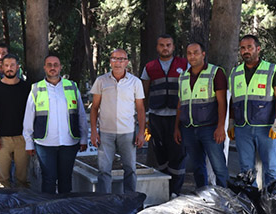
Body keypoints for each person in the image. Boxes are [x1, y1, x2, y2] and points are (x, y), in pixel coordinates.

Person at [23, 55, 89, 194]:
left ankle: (64, 210)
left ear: (60, 67)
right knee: (48, 178)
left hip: (69, 142)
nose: (53, 67)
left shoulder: (71, 86)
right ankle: (50, 211)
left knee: (66, 178)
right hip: (45, 143)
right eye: (49, 65)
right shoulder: (36, 89)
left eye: (56, 64)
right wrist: (28, 142)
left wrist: (83, 138)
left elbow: (81, 115)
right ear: (45, 68)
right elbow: (28, 118)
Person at [227, 34, 276, 185]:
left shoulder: (272, 70)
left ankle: (274, 202)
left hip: (266, 128)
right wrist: (232, 122)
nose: (246, 51)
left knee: (271, 169)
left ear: (258, 49)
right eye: (242, 48)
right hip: (242, 129)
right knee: (246, 170)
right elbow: (233, 99)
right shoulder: (235, 73)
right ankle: (251, 204)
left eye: (249, 47)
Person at [173, 42, 229, 187]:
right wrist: (177, 128)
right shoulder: (183, 76)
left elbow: (222, 102)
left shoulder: (215, 73)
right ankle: (203, 196)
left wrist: (221, 127)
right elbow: (180, 104)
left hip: (210, 128)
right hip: (189, 129)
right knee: (197, 167)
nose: (192, 56)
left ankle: (226, 199)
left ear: (203, 54)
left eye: (196, 52)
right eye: (189, 53)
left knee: (219, 167)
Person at [90, 49, 146, 193]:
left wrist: (141, 132)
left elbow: (140, 109)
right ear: (110, 61)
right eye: (114, 59)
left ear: (127, 62)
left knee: (130, 169)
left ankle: (130, 201)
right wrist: (94, 132)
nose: (118, 62)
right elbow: (95, 108)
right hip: (105, 133)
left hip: (127, 133)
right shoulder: (101, 81)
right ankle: (106, 202)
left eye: (121, 59)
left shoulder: (135, 82)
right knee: (103, 170)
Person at [141, 34, 188, 197]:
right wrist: (145, 117)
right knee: (160, 152)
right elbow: (144, 93)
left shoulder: (184, 64)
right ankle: (163, 189)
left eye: (168, 45)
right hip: (156, 116)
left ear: (173, 47)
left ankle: (176, 190)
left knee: (178, 151)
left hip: (178, 116)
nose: (165, 48)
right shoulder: (150, 67)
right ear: (157, 47)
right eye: (161, 45)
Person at [0, 53, 30, 188]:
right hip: (1, 139)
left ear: (18, 67)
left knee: (23, 179)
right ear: (1, 68)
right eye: (6, 65)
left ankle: (23, 206)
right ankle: (5, 207)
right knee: (3, 179)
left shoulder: (27, 88)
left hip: (22, 138)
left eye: (12, 65)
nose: (9, 68)